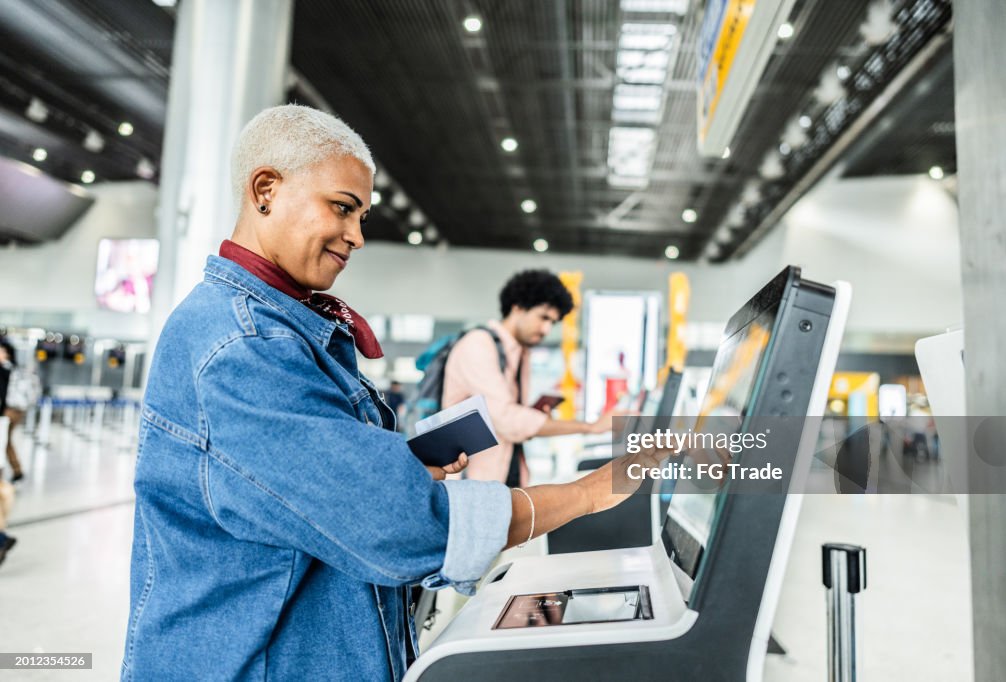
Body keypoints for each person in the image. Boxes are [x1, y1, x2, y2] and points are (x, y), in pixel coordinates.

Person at [122, 105, 658, 682]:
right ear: (266, 190)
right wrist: (590, 493)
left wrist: (395, 466)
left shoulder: (285, 331)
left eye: (362, 216)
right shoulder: (245, 348)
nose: (356, 235)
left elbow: (308, 483)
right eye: (342, 208)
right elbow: (400, 525)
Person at [441, 270, 619, 486]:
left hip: (504, 477)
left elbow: (510, 419)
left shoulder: (520, 353)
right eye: (543, 317)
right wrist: (589, 427)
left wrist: (533, 416)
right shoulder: (478, 344)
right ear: (517, 307)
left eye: (552, 322)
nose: (546, 329)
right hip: (471, 484)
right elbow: (506, 420)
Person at [0, 340, 24, 483]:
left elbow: (2, 395)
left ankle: (15, 470)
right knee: (5, 441)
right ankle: (17, 470)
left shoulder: (4, 370)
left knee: (3, 441)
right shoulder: (14, 369)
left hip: (8, 412)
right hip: (15, 410)